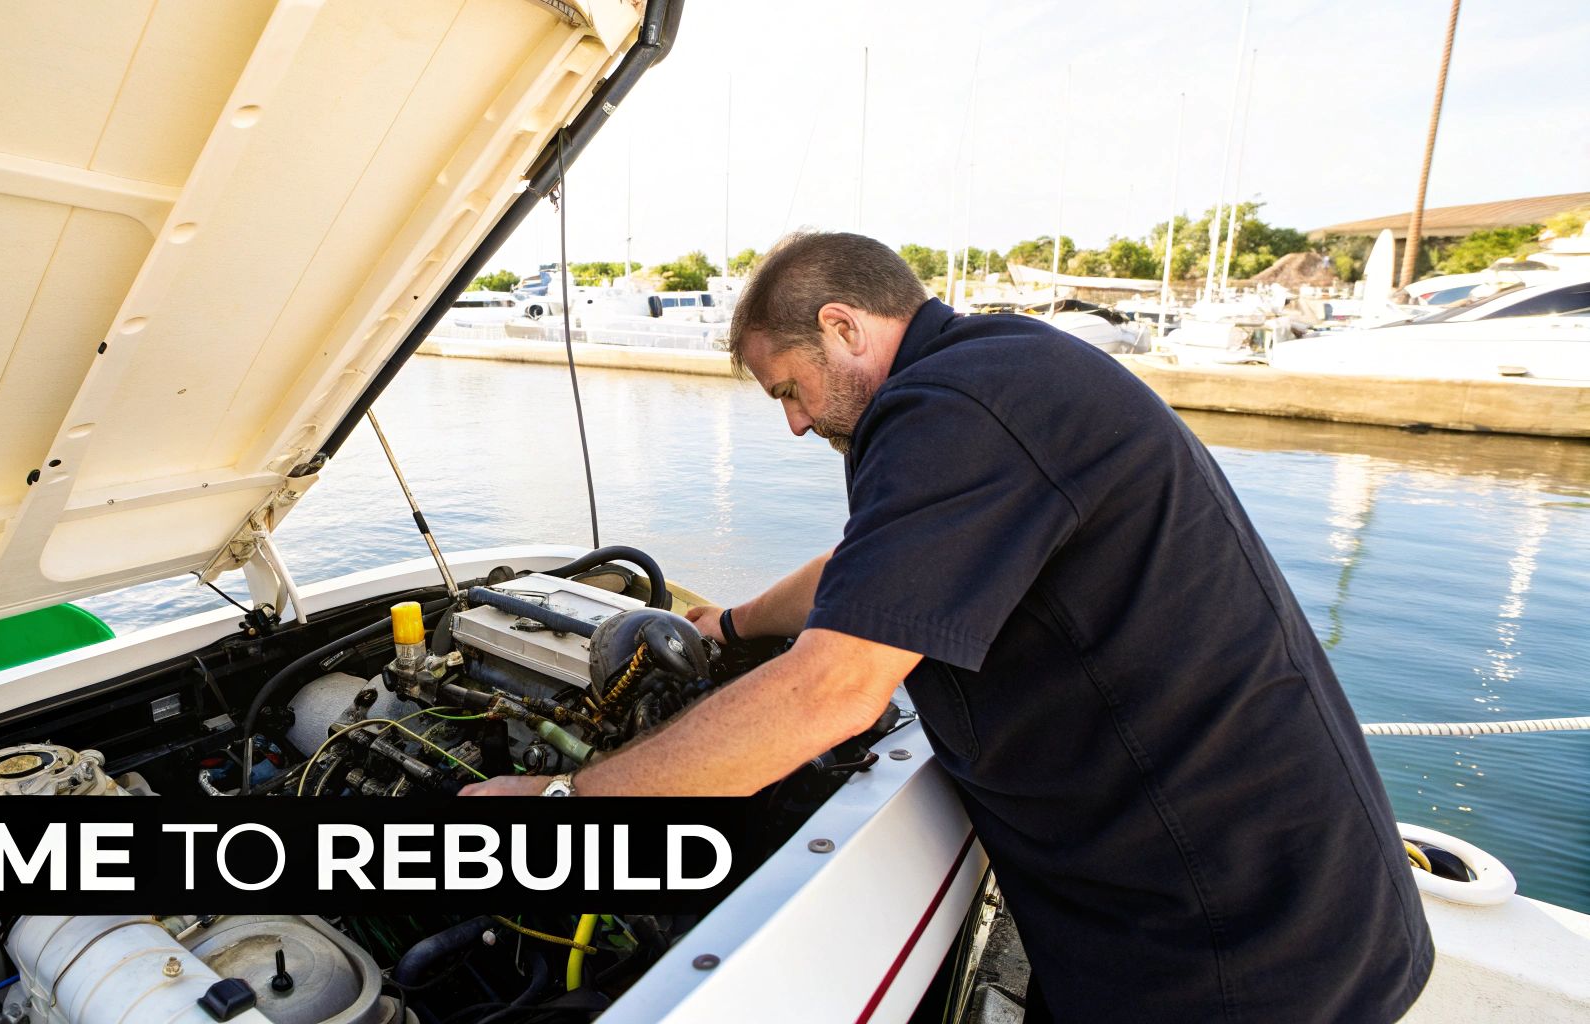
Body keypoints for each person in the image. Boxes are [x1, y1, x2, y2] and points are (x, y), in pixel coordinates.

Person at [464, 231, 1434, 1022]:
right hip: (1215, 907)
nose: (794, 425)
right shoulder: (989, 376)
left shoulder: (955, 406)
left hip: (1231, 946)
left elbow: (828, 693)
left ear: (840, 326)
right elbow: (867, 575)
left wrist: (563, 802)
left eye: (786, 389)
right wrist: (724, 626)